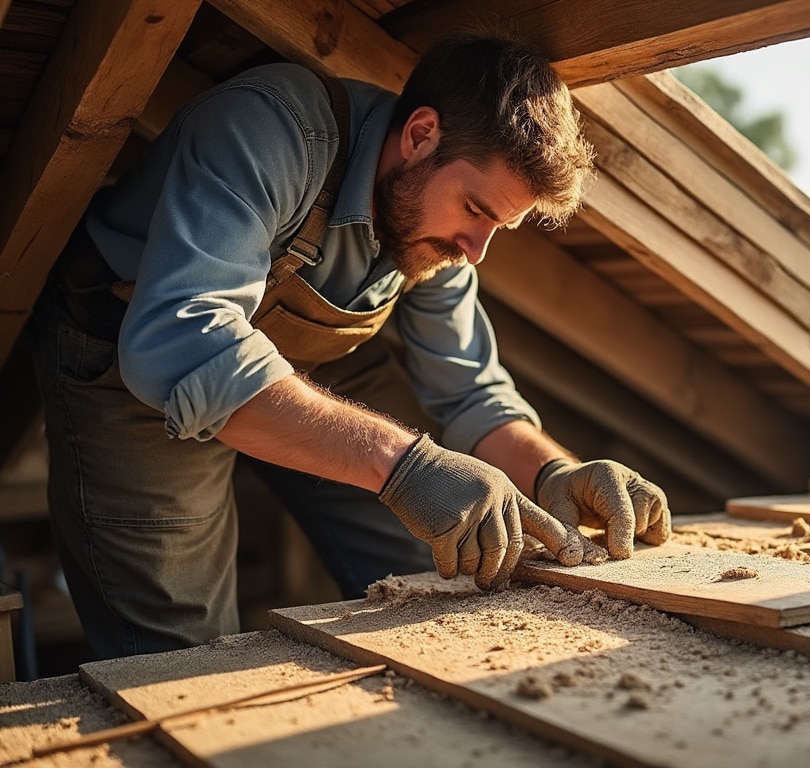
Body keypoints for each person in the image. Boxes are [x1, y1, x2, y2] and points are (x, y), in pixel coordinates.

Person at [32, 29, 671, 660]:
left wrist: (555, 470)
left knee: (432, 581)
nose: (476, 253)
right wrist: (402, 466)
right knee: (185, 654)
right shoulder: (270, 128)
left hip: (312, 371)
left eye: (499, 227)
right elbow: (182, 341)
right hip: (135, 365)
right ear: (421, 136)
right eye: (476, 210)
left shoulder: (438, 234)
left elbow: (469, 388)